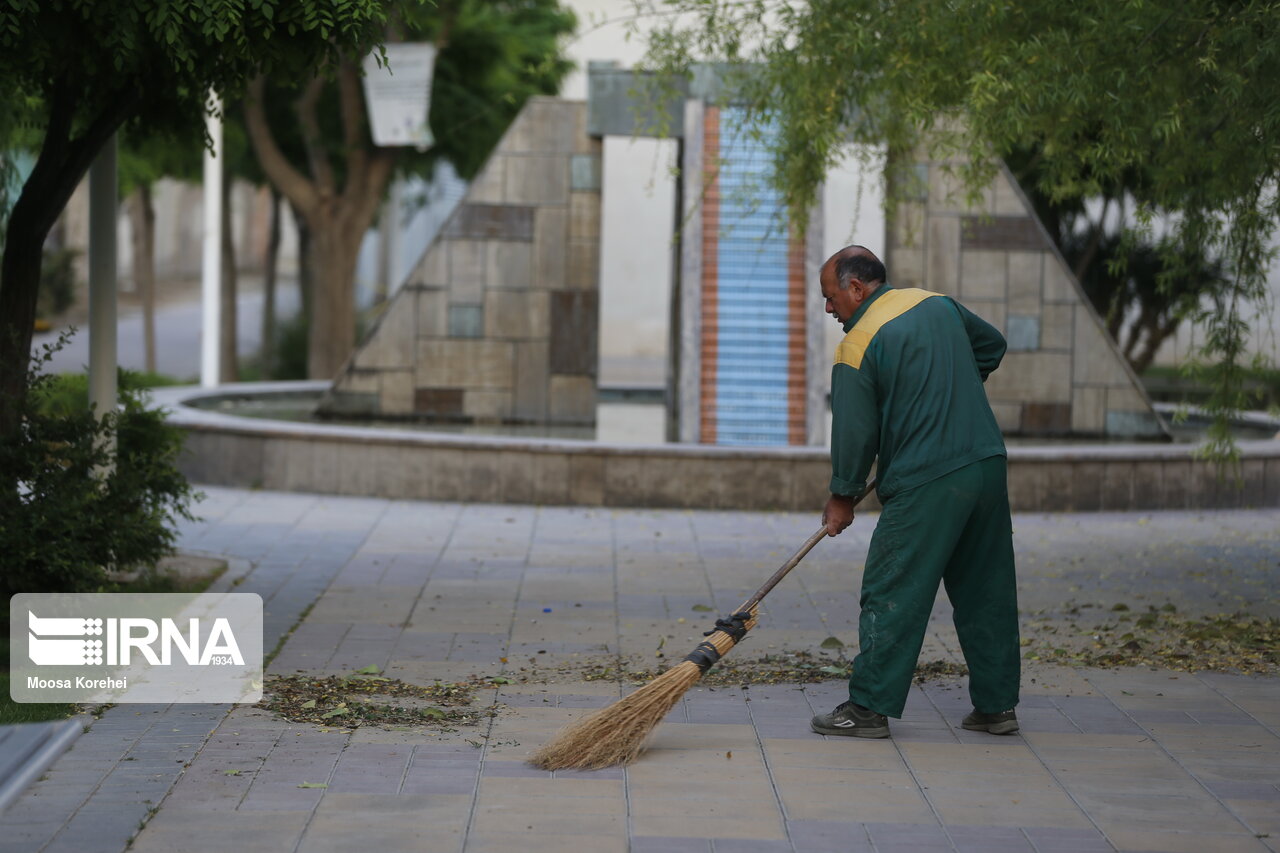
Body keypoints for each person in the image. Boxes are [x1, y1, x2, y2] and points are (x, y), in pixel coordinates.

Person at [810, 245, 1021, 739]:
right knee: (986, 589)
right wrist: (944, 391)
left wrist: (842, 496)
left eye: (830, 296)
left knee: (893, 588)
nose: (828, 308)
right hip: (986, 464)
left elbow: (854, 433)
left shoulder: (858, 342)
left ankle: (866, 709)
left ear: (856, 289)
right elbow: (991, 346)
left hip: (929, 477)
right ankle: (996, 707)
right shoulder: (936, 304)